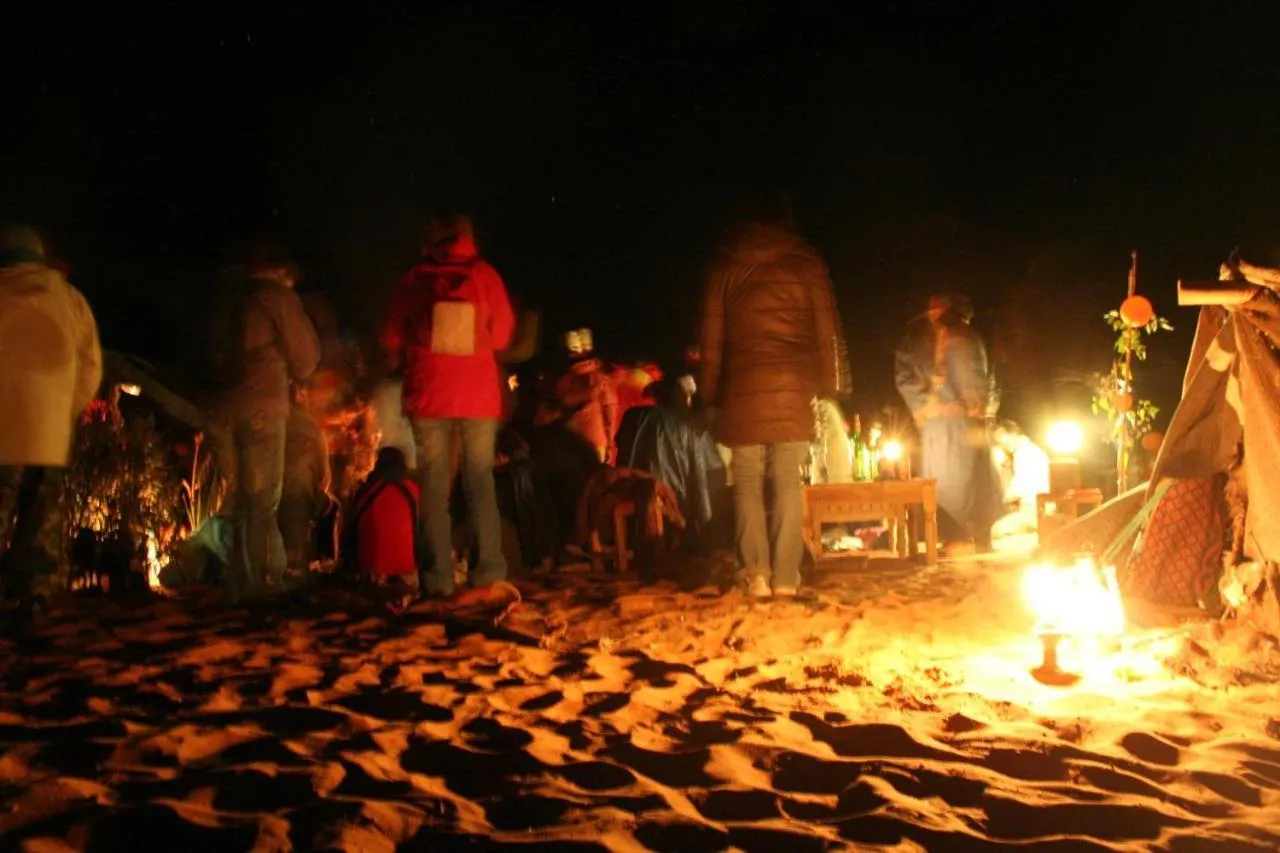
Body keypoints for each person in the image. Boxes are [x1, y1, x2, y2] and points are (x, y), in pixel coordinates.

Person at [699, 216, 850, 598]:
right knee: (788, 480)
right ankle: (786, 577)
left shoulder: (725, 267)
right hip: (793, 387)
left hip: (743, 388)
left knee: (747, 481)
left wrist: (710, 397)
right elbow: (827, 332)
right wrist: (832, 386)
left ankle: (756, 575)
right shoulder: (806, 261)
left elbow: (712, 342)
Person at [379, 214, 516, 601]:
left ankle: (437, 579)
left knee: (435, 487)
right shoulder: (485, 275)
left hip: (429, 395)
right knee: (480, 483)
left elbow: (389, 335)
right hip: (477, 396)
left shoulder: (415, 279)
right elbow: (504, 335)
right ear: (469, 239)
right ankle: (488, 573)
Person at [0, 225, 103, 618]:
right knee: (40, 513)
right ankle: (33, 595)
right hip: (48, 429)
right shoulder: (67, 297)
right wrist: (65, 410)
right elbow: (90, 365)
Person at [211, 243, 321, 601]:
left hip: (227, 404)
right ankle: (257, 586)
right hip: (264, 403)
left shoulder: (231, 299)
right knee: (262, 499)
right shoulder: (277, 298)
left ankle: (238, 582)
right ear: (282, 272)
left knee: (240, 496)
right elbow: (306, 356)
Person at [894, 293, 1003, 551]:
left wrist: (984, 407)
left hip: (971, 422)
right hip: (941, 425)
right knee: (947, 481)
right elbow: (905, 379)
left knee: (978, 479)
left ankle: (981, 532)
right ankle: (954, 535)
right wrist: (933, 407)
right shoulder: (915, 342)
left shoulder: (970, 337)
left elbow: (990, 377)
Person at [615, 376, 712, 540]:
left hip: (635, 494)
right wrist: (705, 523)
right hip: (672, 497)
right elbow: (700, 477)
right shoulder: (688, 427)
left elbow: (621, 452)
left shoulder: (633, 417)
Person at [343, 447, 419, 583]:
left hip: (371, 571)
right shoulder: (413, 491)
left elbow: (351, 528)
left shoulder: (367, 492)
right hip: (408, 570)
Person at [280, 384, 333, 575]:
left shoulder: (278, 422)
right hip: (301, 498)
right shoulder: (313, 427)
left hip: (275, 496)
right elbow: (324, 474)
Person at [555, 329, 618, 464]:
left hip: (570, 439)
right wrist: (611, 443)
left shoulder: (563, 380)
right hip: (596, 440)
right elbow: (611, 415)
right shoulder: (602, 380)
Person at [990, 420, 1050, 538]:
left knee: (993, 531)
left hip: (1034, 511)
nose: (1000, 443)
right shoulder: (1030, 450)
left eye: (1000, 438)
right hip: (1036, 508)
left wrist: (1002, 500)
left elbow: (1020, 486)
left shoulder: (1025, 453)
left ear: (1008, 433)